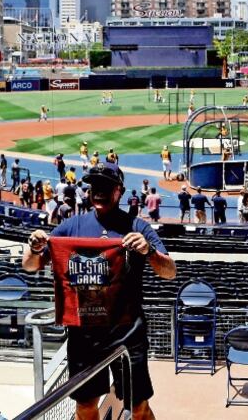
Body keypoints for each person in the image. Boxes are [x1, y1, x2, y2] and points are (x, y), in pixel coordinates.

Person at [23, 162, 176, 420]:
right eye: (94, 186)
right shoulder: (71, 226)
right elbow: (29, 265)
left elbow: (170, 271)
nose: (99, 192)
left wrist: (148, 250)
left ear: (119, 191)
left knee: (138, 407)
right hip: (84, 335)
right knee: (85, 406)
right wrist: (35, 246)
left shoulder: (138, 227)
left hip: (127, 332)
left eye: (106, 187)